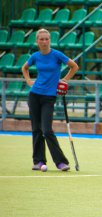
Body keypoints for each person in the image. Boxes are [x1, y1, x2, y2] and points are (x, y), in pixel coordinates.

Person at [22, 28, 79, 172]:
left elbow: (74, 66)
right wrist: (29, 81)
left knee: (46, 130)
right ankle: (38, 161)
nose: (44, 41)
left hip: (49, 97)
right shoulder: (35, 56)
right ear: (37, 41)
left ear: (50, 40)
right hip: (34, 95)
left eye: (47, 39)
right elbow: (25, 68)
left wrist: (64, 80)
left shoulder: (57, 55)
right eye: (41, 39)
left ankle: (61, 162)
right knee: (36, 129)